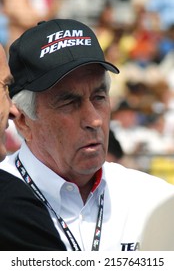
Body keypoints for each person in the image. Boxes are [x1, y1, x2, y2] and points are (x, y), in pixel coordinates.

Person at [1, 18, 174, 251]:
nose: (94, 120)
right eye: (69, 103)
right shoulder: (5, 199)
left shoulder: (154, 200)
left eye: (99, 97)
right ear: (22, 121)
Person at [0, 43, 66, 251]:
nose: (13, 110)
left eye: (99, 97)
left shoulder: (152, 194)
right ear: (25, 123)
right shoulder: (9, 202)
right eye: (4, 88)